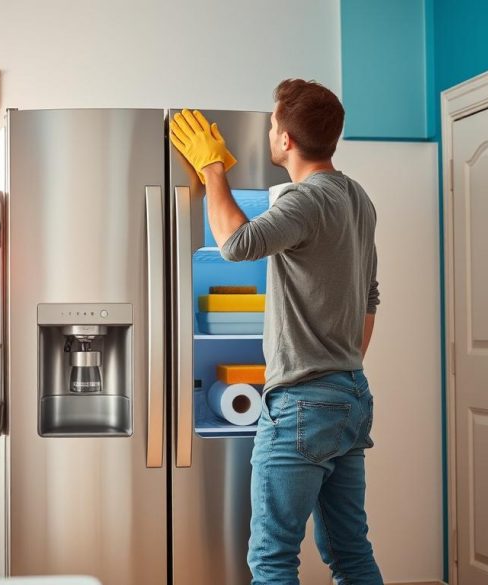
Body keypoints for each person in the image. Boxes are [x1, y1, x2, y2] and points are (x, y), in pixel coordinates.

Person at [170, 79, 383, 585]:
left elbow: (237, 244)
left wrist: (212, 166)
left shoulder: (306, 200)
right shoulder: (357, 198)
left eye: (271, 124)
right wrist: (341, 364)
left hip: (303, 404)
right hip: (350, 392)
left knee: (272, 556)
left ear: (286, 140)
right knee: (350, 551)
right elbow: (370, 296)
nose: (269, 131)